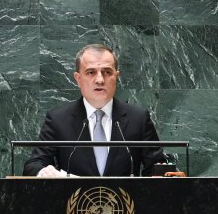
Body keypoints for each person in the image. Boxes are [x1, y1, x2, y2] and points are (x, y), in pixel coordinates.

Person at [24, 44, 165, 177]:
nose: (100, 80)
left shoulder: (138, 119)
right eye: (91, 72)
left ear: (116, 76)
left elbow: (157, 168)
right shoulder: (58, 120)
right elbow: (34, 165)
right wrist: (43, 172)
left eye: (107, 72)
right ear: (78, 79)